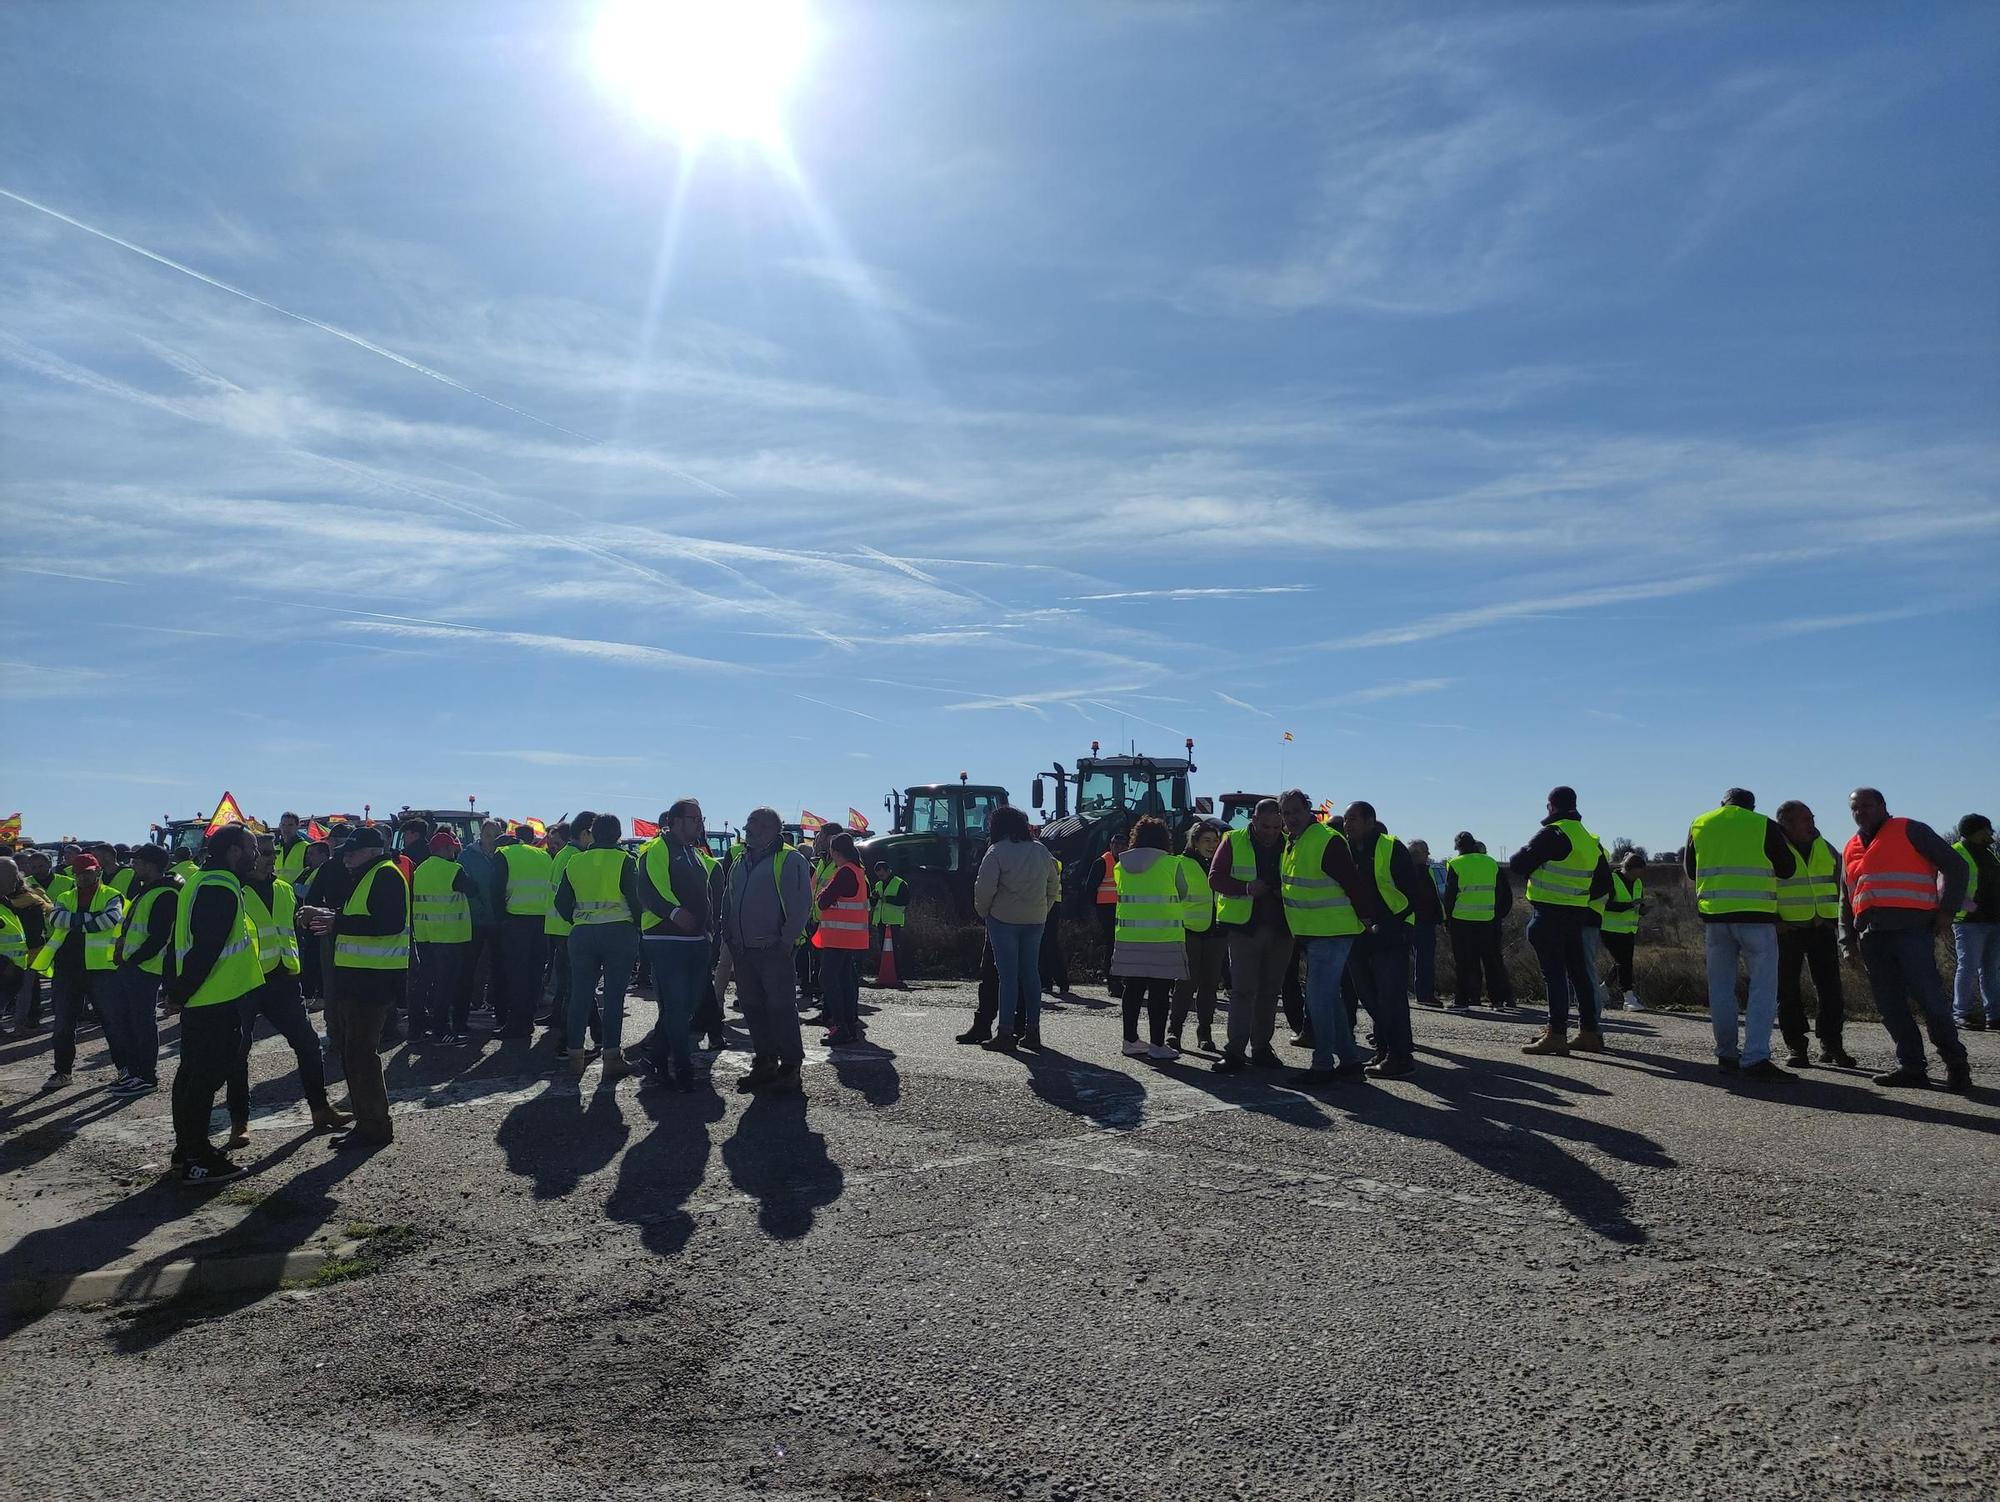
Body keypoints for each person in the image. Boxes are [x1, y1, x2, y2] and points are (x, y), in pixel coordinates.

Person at [1840, 788, 1970, 1092]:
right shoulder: (1851, 847)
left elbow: (1957, 866)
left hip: (1912, 931)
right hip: (1871, 936)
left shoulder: (1911, 830)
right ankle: (1912, 1067)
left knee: (1930, 1001)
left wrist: (1947, 910)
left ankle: (1956, 1065)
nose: (1861, 812)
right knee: (1891, 1006)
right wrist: (1847, 940)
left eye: (1867, 806)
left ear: (1883, 806)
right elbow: (1845, 898)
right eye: (1855, 808)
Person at [230, 836, 346, 1142]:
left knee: (308, 1044)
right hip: (246, 979)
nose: (269, 859)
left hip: (283, 978)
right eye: (263, 853)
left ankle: (320, 1109)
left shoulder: (283, 889)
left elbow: (290, 930)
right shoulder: (233, 889)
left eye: (272, 854)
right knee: (238, 1053)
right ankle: (239, 1123)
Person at [166, 824, 264, 1184]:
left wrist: (178, 990)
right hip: (215, 998)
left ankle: (186, 1150)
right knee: (203, 1080)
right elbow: (206, 946)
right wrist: (180, 991)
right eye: (252, 848)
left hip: (206, 997)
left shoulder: (201, 881)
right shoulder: (219, 886)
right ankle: (197, 1156)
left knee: (192, 1076)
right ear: (234, 852)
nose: (257, 855)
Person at [302, 825, 409, 1149]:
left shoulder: (385, 875)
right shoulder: (367, 875)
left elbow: (389, 922)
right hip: (357, 978)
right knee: (354, 1053)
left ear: (373, 852)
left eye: (353, 852)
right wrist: (328, 915)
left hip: (372, 980)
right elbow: (362, 917)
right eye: (345, 852)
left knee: (361, 1053)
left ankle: (374, 1126)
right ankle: (367, 1122)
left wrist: (336, 921)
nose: (346, 857)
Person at [1685, 789, 1796, 1080]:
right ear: (1752, 806)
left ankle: (1726, 1054)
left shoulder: (1700, 823)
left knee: (1720, 988)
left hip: (1716, 918)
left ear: (1722, 804)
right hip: (1756, 918)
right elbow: (1787, 869)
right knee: (1763, 989)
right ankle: (1756, 1057)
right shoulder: (1763, 824)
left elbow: (1689, 869)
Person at [1509, 787, 1613, 1057]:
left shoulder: (1554, 832)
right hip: (1577, 915)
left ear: (1551, 807)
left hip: (1549, 914)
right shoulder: (1590, 840)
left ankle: (1556, 1033)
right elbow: (1603, 882)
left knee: (1554, 976)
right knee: (1579, 974)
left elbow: (1518, 863)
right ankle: (1589, 1032)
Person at [722, 807, 812, 1093]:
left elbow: (800, 904)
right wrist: (729, 934)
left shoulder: (789, 860)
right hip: (744, 949)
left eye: (756, 824)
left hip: (772, 949)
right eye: (748, 823)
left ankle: (790, 1066)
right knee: (752, 1006)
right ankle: (765, 1061)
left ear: (773, 829)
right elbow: (729, 898)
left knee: (781, 1007)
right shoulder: (740, 860)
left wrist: (786, 942)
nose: (748, 828)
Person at [637, 799, 721, 1090]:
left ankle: (656, 1056)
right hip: (665, 938)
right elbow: (646, 890)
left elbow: (706, 894)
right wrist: (673, 912)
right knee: (676, 1004)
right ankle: (682, 1068)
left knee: (687, 1004)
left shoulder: (694, 854)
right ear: (675, 820)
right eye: (694, 818)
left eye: (701, 817)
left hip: (696, 939)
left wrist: (709, 930)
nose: (700, 823)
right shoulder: (657, 849)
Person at [1339, 803, 1425, 1077]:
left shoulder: (1391, 847)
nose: (1347, 824)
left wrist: (1389, 923)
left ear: (1370, 821)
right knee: (1369, 995)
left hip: (1392, 930)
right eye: (1346, 819)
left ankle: (1400, 1056)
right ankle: (1385, 1050)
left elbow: (1411, 892)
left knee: (1390, 995)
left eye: (1353, 819)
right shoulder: (1345, 849)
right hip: (1358, 932)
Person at [555, 812, 641, 1078]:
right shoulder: (625, 861)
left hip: (582, 933)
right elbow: (636, 900)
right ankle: (612, 1056)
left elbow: (561, 902)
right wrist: (637, 926)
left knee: (580, 995)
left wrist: (579, 919)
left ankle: (574, 1055)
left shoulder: (575, 862)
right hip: (618, 932)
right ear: (617, 835)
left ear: (591, 833)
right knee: (614, 997)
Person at [1210, 800, 1293, 1073]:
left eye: (1275, 827)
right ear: (1253, 820)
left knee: (1270, 992)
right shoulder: (1233, 840)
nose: (1270, 832)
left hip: (1282, 929)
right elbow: (1215, 878)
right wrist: (1246, 888)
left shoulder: (1290, 843)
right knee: (1243, 992)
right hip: (1244, 928)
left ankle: (1261, 1048)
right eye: (1265, 826)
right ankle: (1234, 1051)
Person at [29, 851, 123, 1090]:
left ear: (98, 872)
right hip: (67, 970)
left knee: (111, 1022)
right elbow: (56, 920)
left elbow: (110, 920)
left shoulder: (112, 896)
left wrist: (75, 921)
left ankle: (125, 1069)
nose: (81, 877)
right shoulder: (65, 896)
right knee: (62, 1025)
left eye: (87, 873)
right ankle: (62, 1072)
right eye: (78, 873)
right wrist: (88, 921)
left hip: (101, 969)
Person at [972, 805, 1061, 1052]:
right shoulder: (1041, 851)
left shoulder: (997, 851)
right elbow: (1053, 883)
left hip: (1003, 919)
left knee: (1008, 977)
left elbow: (984, 888)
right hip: (1035, 919)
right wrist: (1044, 908)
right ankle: (1033, 1030)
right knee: (1031, 975)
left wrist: (985, 912)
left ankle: (1005, 1031)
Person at [1773, 801, 1855, 1067]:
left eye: (1812, 818)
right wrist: (1774, 919)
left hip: (1822, 928)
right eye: (1805, 820)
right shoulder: (1772, 847)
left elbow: (1841, 881)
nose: (1812, 824)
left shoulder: (1825, 846)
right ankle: (1796, 1047)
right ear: (1785, 823)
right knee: (1787, 991)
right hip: (1788, 930)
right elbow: (1761, 884)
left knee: (1831, 990)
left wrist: (1837, 918)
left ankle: (1832, 1045)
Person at [1112, 814, 1189, 1061]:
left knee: (1132, 990)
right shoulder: (1172, 864)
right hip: (1164, 937)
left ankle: (1130, 1040)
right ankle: (1157, 1044)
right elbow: (1183, 893)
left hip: (1129, 937)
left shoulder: (1119, 865)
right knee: (1159, 992)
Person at [105, 845, 175, 1095]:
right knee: (128, 1022)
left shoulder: (166, 894)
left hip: (145, 969)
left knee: (142, 1024)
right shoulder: (147, 892)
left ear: (150, 865)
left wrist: (132, 959)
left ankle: (146, 1075)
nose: (133, 866)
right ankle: (134, 1072)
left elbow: (159, 937)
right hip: (132, 966)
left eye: (138, 862)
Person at [410, 830, 481, 1043]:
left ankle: (416, 1029)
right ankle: (441, 1030)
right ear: (445, 849)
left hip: (425, 934)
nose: (454, 851)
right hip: (449, 936)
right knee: (445, 985)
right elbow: (473, 889)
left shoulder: (420, 869)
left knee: (423, 983)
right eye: (452, 848)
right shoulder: (454, 870)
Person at [812, 831, 874, 1047]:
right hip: (851, 937)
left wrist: (821, 895)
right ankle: (848, 1023)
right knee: (846, 980)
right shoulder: (858, 871)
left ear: (836, 853)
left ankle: (839, 1025)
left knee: (828, 979)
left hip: (838, 937)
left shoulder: (844, 872)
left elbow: (823, 902)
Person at [494, 822, 553, 1040]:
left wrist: (500, 919)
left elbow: (496, 890)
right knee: (534, 974)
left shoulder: (504, 854)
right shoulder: (542, 855)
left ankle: (516, 1023)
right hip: (542, 921)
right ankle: (528, 1019)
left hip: (516, 921)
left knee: (516, 975)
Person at [1442, 833, 1513, 1011]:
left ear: (1459, 847)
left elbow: (1450, 895)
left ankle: (1462, 1001)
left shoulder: (1456, 864)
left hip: (1462, 919)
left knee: (1464, 963)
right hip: (1487, 919)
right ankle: (1497, 1001)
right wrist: (1496, 914)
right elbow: (1501, 891)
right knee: (1491, 961)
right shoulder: (1490, 862)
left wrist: (1447, 919)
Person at [1168, 822, 1222, 1053]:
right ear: (1195, 842)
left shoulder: (1221, 864)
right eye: (1206, 840)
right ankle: (1174, 1030)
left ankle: (1205, 1032)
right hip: (1189, 931)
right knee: (1185, 984)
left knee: (1210, 985)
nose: (1212, 845)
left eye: (1215, 840)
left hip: (1216, 932)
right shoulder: (1180, 863)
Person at [1949, 814, 1999, 1030]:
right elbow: (1946, 888)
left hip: (1993, 920)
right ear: (1975, 831)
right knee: (1968, 967)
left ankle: (1994, 1016)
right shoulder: (1957, 852)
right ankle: (1962, 1014)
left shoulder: (1990, 855)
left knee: (1992, 969)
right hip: (1969, 921)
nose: (1990, 834)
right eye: (1987, 830)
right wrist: (1973, 907)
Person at [0, 856, 51, 1038]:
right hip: (8, 966)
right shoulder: (20, 900)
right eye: (13, 875)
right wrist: (5, 965)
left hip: (16, 965)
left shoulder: (7, 902)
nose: (18, 879)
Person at [542, 817, 580, 1034]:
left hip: (561, 926)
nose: (551, 845)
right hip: (564, 926)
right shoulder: (569, 856)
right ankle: (561, 1016)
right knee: (567, 978)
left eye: (555, 841)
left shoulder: (565, 856)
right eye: (551, 841)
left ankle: (559, 1016)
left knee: (565, 977)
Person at [1601, 852, 1648, 1014]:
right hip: (1609, 929)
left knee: (1621, 962)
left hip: (1629, 929)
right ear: (1628, 869)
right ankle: (1628, 997)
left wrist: (1642, 910)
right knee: (1624, 962)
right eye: (1637, 871)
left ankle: (1603, 989)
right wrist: (1629, 905)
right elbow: (1604, 905)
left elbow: (1637, 905)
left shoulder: (1638, 883)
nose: (1639, 875)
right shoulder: (1611, 881)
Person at [1405, 838, 1444, 1008]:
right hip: (1421, 921)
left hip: (1413, 920)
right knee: (1424, 960)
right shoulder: (1419, 873)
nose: (1428, 855)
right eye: (1426, 852)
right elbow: (1427, 898)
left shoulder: (1409, 870)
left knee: (1415, 959)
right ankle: (1424, 993)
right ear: (1418, 854)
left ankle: (1419, 992)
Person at [1038, 847, 1072, 998]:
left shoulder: (1042, 861)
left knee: (1044, 945)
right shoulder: (1053, 862)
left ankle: (1047, 981)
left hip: (1044, 904)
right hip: (1054, 904)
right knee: (1050, 945)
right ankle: (1060, 981)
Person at [1094, 834, 1125, 997]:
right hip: (1106, 909)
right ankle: (1112, 979)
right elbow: (1091, 887)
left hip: (1122, 908)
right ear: (1110, 845)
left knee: (1120, 944)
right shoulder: (1102, 862)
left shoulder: (1127, 863)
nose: (1118, 847)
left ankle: (1119, 978)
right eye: (1115, 844)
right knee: (1111, 943)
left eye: (1121, 844)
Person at [870, 861, 909, 982]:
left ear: (888, 871)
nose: (880, 878)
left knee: (895, 950)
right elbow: (873, 904)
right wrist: (874, 898)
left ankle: (898, 975)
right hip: (881, 922)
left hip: (894, 922)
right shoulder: (878, 885)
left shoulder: (900, 883)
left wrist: (887, 899)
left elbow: (904, 900)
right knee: (883, 949)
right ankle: (884, 973)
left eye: (882, 875)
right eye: (878, 876)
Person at [273, 811, 310, 883]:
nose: (286, 828)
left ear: (298, 826)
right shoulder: (275, 848)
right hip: (277, 890)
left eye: (290, 825)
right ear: (280, 826)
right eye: (283, 825)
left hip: (296, 891)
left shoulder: (307, 847)